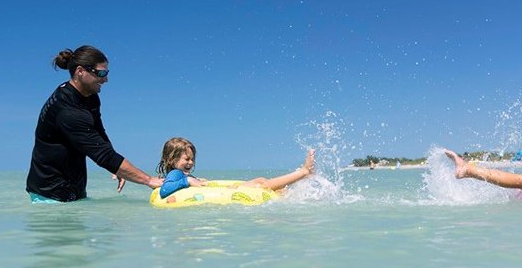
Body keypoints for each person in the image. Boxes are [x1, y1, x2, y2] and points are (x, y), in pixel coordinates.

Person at [26, 45, 162, 203]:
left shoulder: (89, 97)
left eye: (107, 73)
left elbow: (99, 133)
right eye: (101, 73)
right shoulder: (68, 110)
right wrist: (149, 180)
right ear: (80, 71)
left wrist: (117, 168)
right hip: (49, 195)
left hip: (71, 189)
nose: (106, 79)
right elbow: (101, 154)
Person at [156, 137, 316, 198]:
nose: (190, 163)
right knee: (262, 185)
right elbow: (165, 190)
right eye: (187, 159)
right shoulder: (176, 174)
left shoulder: (180, 174)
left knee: (260, 181)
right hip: (226, 194)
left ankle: (288, 191)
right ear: (172, 159)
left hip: (226, 190)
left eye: (192, 159)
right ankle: (303, 172)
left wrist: (196, 180)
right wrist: (188, 181)